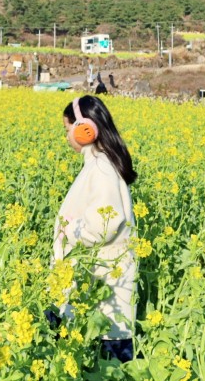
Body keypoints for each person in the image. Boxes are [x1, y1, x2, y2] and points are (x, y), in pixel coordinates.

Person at [52, 95, 138, 362]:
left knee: (110, 364)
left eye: (68, 130)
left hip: (104, 290)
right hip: (97, 285)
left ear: (85, 130)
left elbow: (105, 224)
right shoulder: (99, 163)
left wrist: (68, 234)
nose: (67, 137)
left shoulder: (101, 168)